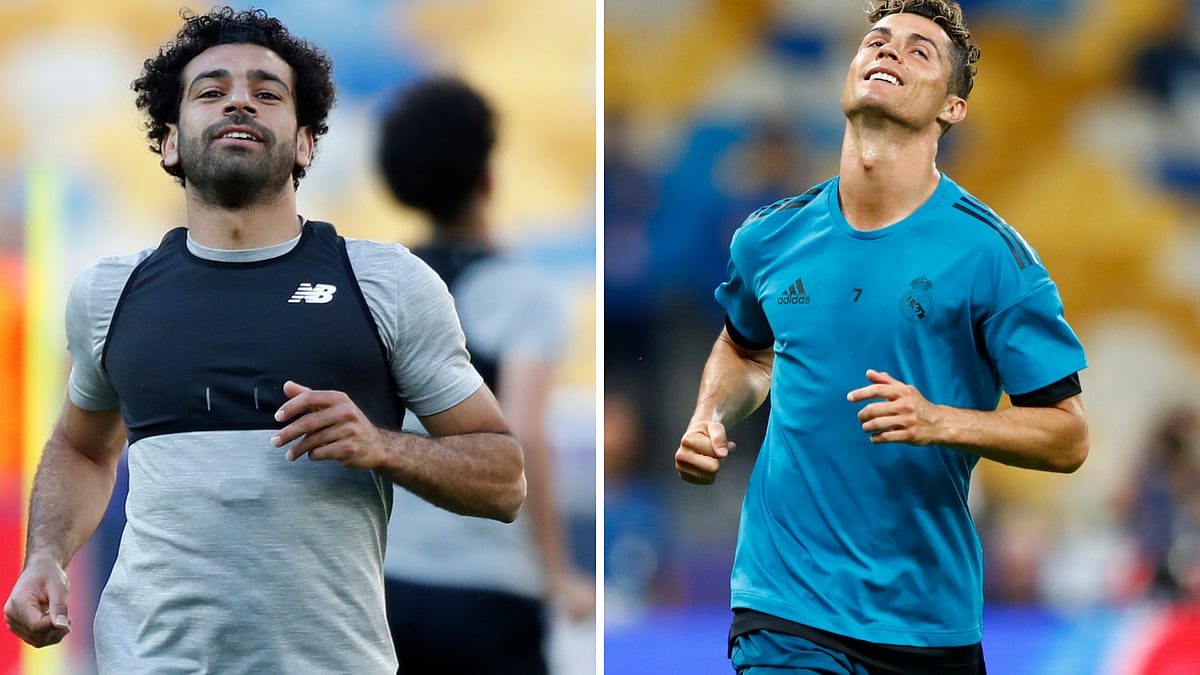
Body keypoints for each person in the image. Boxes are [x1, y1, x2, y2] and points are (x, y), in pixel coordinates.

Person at [2, 8, 525, 674]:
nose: (240, 100)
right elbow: (81, 446)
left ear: (305, 144)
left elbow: (505, 478)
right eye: (212, 91)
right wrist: (45, 553)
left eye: (267, 93)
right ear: (169, 142)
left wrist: (382, 445)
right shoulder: (110, 292)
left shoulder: (384, 282)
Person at [672, 1, 1090, 673]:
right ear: (849, 74)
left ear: (952, 107)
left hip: (928, 621)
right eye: (876, 41)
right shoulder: (769, 236)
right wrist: (709, 416)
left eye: (920, 51)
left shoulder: (992, 257)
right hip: (786, 607)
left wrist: (941, 420)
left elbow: (1068, 436)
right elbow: (747, 349)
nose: (889, 52)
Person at [375, 77, 594, 674]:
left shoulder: (379, 286)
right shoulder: (525, 293)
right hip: (490, 587)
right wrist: (555, 571)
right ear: (489, 177)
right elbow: (523, 433)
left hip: (384, 584)